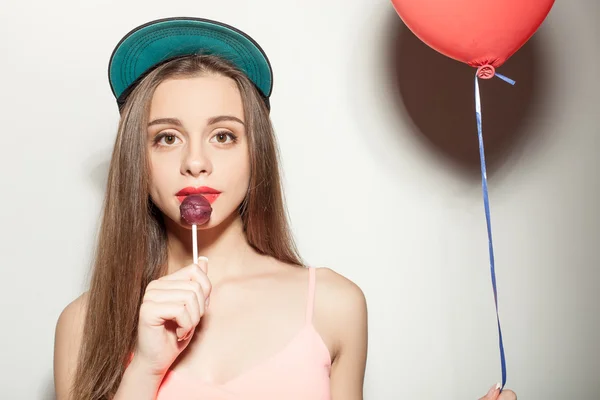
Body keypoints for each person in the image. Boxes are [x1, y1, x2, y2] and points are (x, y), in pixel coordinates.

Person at [52, 17, 515, 400]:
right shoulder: (84, 325)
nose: (195, 162)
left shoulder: (335, 305)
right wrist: (146, 368)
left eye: (224, 135)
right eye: (166, 137)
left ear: (257, 154)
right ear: (139, 159)